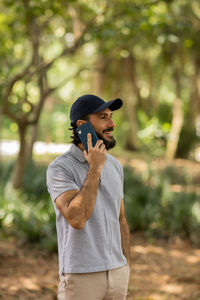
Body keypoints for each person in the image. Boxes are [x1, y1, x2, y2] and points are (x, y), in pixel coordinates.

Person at [46, 94, 131, 300]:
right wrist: (95, 168)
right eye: (103, 117)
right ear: (82, 126)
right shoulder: (60, 168)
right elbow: (77, 218)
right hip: (81, 276)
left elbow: (120, 218)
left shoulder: (115, 166)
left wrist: (126, 264)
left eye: (111, 116)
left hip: (117, 273)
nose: (112, 123)